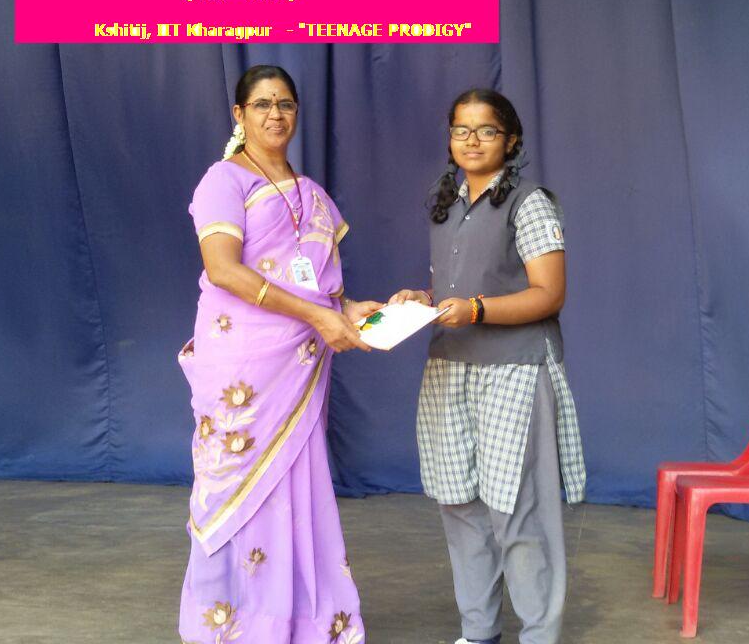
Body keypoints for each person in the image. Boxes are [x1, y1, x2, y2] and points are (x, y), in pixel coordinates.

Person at [179, 64, 380, 644]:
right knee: (234, 493)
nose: (275, 114)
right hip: (242, 370)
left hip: (299, 369)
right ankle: (232, 630)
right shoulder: (223, 180)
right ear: (239, 115)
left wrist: (356, 311)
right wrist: (318, 317)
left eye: (286, 104)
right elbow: (223, 269)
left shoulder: (312, 196)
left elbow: (323, 292)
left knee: (296, 492)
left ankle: (298, 627)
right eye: (262, 104)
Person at [389, 89, 586, 644]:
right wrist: (423, 300)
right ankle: (478, 633)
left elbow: (549, 294)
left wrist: (475, 310)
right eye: (461, 129)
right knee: (459, 505)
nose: (471, 140)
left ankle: (539, 636)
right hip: (450, 368)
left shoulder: (529, 203)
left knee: (518, 512)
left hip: (514, 370)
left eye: (486, 130)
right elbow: (461, 288)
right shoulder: (447, 203)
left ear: (511, 140)